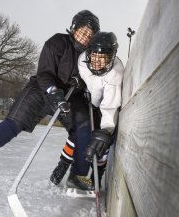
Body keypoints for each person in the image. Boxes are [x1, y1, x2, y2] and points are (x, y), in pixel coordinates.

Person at [0, 10, 100, 190]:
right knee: (13, 124)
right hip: (42, 89)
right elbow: (45, 73)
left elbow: (95, 80)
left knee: (83, 127)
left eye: (90, 34)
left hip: (70, 96)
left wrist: (83, 84)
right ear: (74, 28)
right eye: (82, 31)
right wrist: (53, 91)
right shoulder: (58, 42)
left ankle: (76, 174)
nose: (85, 36)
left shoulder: (90, 56)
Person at [50, 31, 124, 189]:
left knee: (101, 142)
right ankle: (63, 165)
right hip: (84, 99)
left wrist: (106, 130)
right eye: (94, 55)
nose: (96, 61)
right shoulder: (82, 60)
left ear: (111, 57)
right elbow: (76, 73)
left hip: (101, 107)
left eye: (102, 57)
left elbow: (109, 107)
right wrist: (78, 82)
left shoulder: (114, 77)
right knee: (79, 132)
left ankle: (97, 174)